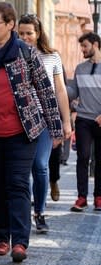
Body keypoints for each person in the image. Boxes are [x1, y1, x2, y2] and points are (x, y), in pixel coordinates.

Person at [0, 2, 63, 263]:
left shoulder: (27, 54)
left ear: (10, 25)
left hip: (23, 133)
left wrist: (57, 128)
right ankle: (2, 238)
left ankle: (20, 242)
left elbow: (46, 92)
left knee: (17, 185)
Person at [18, 14, 72, 233]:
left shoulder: (52, 57)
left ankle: (39, 212)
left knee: (40, 166)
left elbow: (60, 90)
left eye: (29, 33)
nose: (25, 37)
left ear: (38, 34)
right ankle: (21, 213)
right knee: (20, 171)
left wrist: (66, 121)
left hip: (44, 119)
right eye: (20, 33)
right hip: (18, 119)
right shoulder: (11, 55)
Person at [66, 32, 101, 212]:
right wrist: (65, 93)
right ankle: (81, 197)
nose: (83, 50)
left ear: (95, 45)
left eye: (85, 46)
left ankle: (99, 197)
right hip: (84, 120)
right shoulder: (80, 68)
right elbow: (74, 92)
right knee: (83, 157)